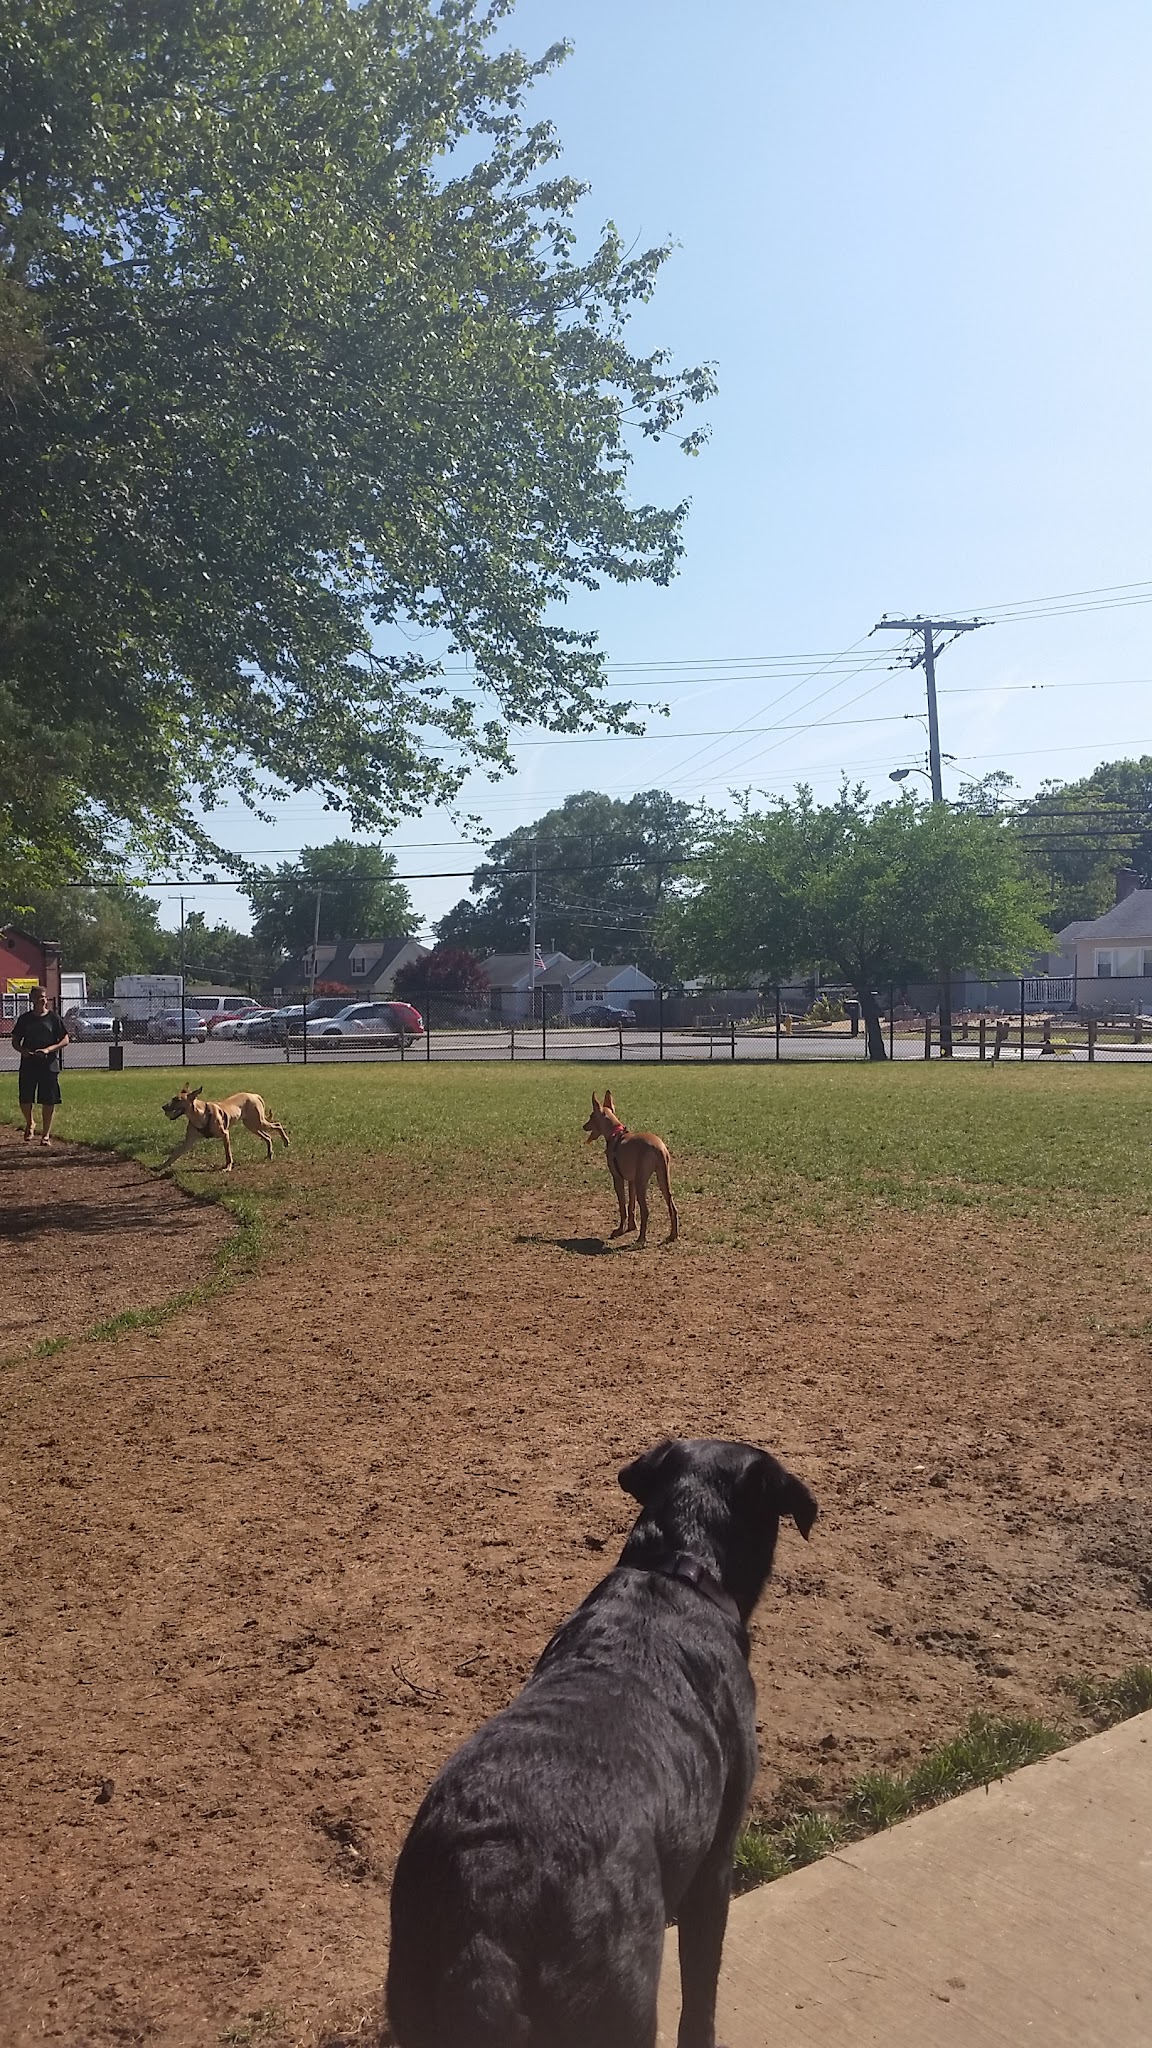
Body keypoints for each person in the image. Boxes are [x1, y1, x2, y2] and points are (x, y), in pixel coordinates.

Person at [11, 986, 70, 1146]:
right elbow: (15, 1041)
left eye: (44, 997)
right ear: (32, 999)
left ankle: (45, 1135)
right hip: (29, 1063)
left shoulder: (53, 1018)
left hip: (48, 1064)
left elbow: (65, 1040)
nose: (42, 1000)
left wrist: (48, 1050)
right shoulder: (25, 1019)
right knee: (25, 1099)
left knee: (48, 1100)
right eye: (39, 997)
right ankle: (30, 1123)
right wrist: (23, 1051)